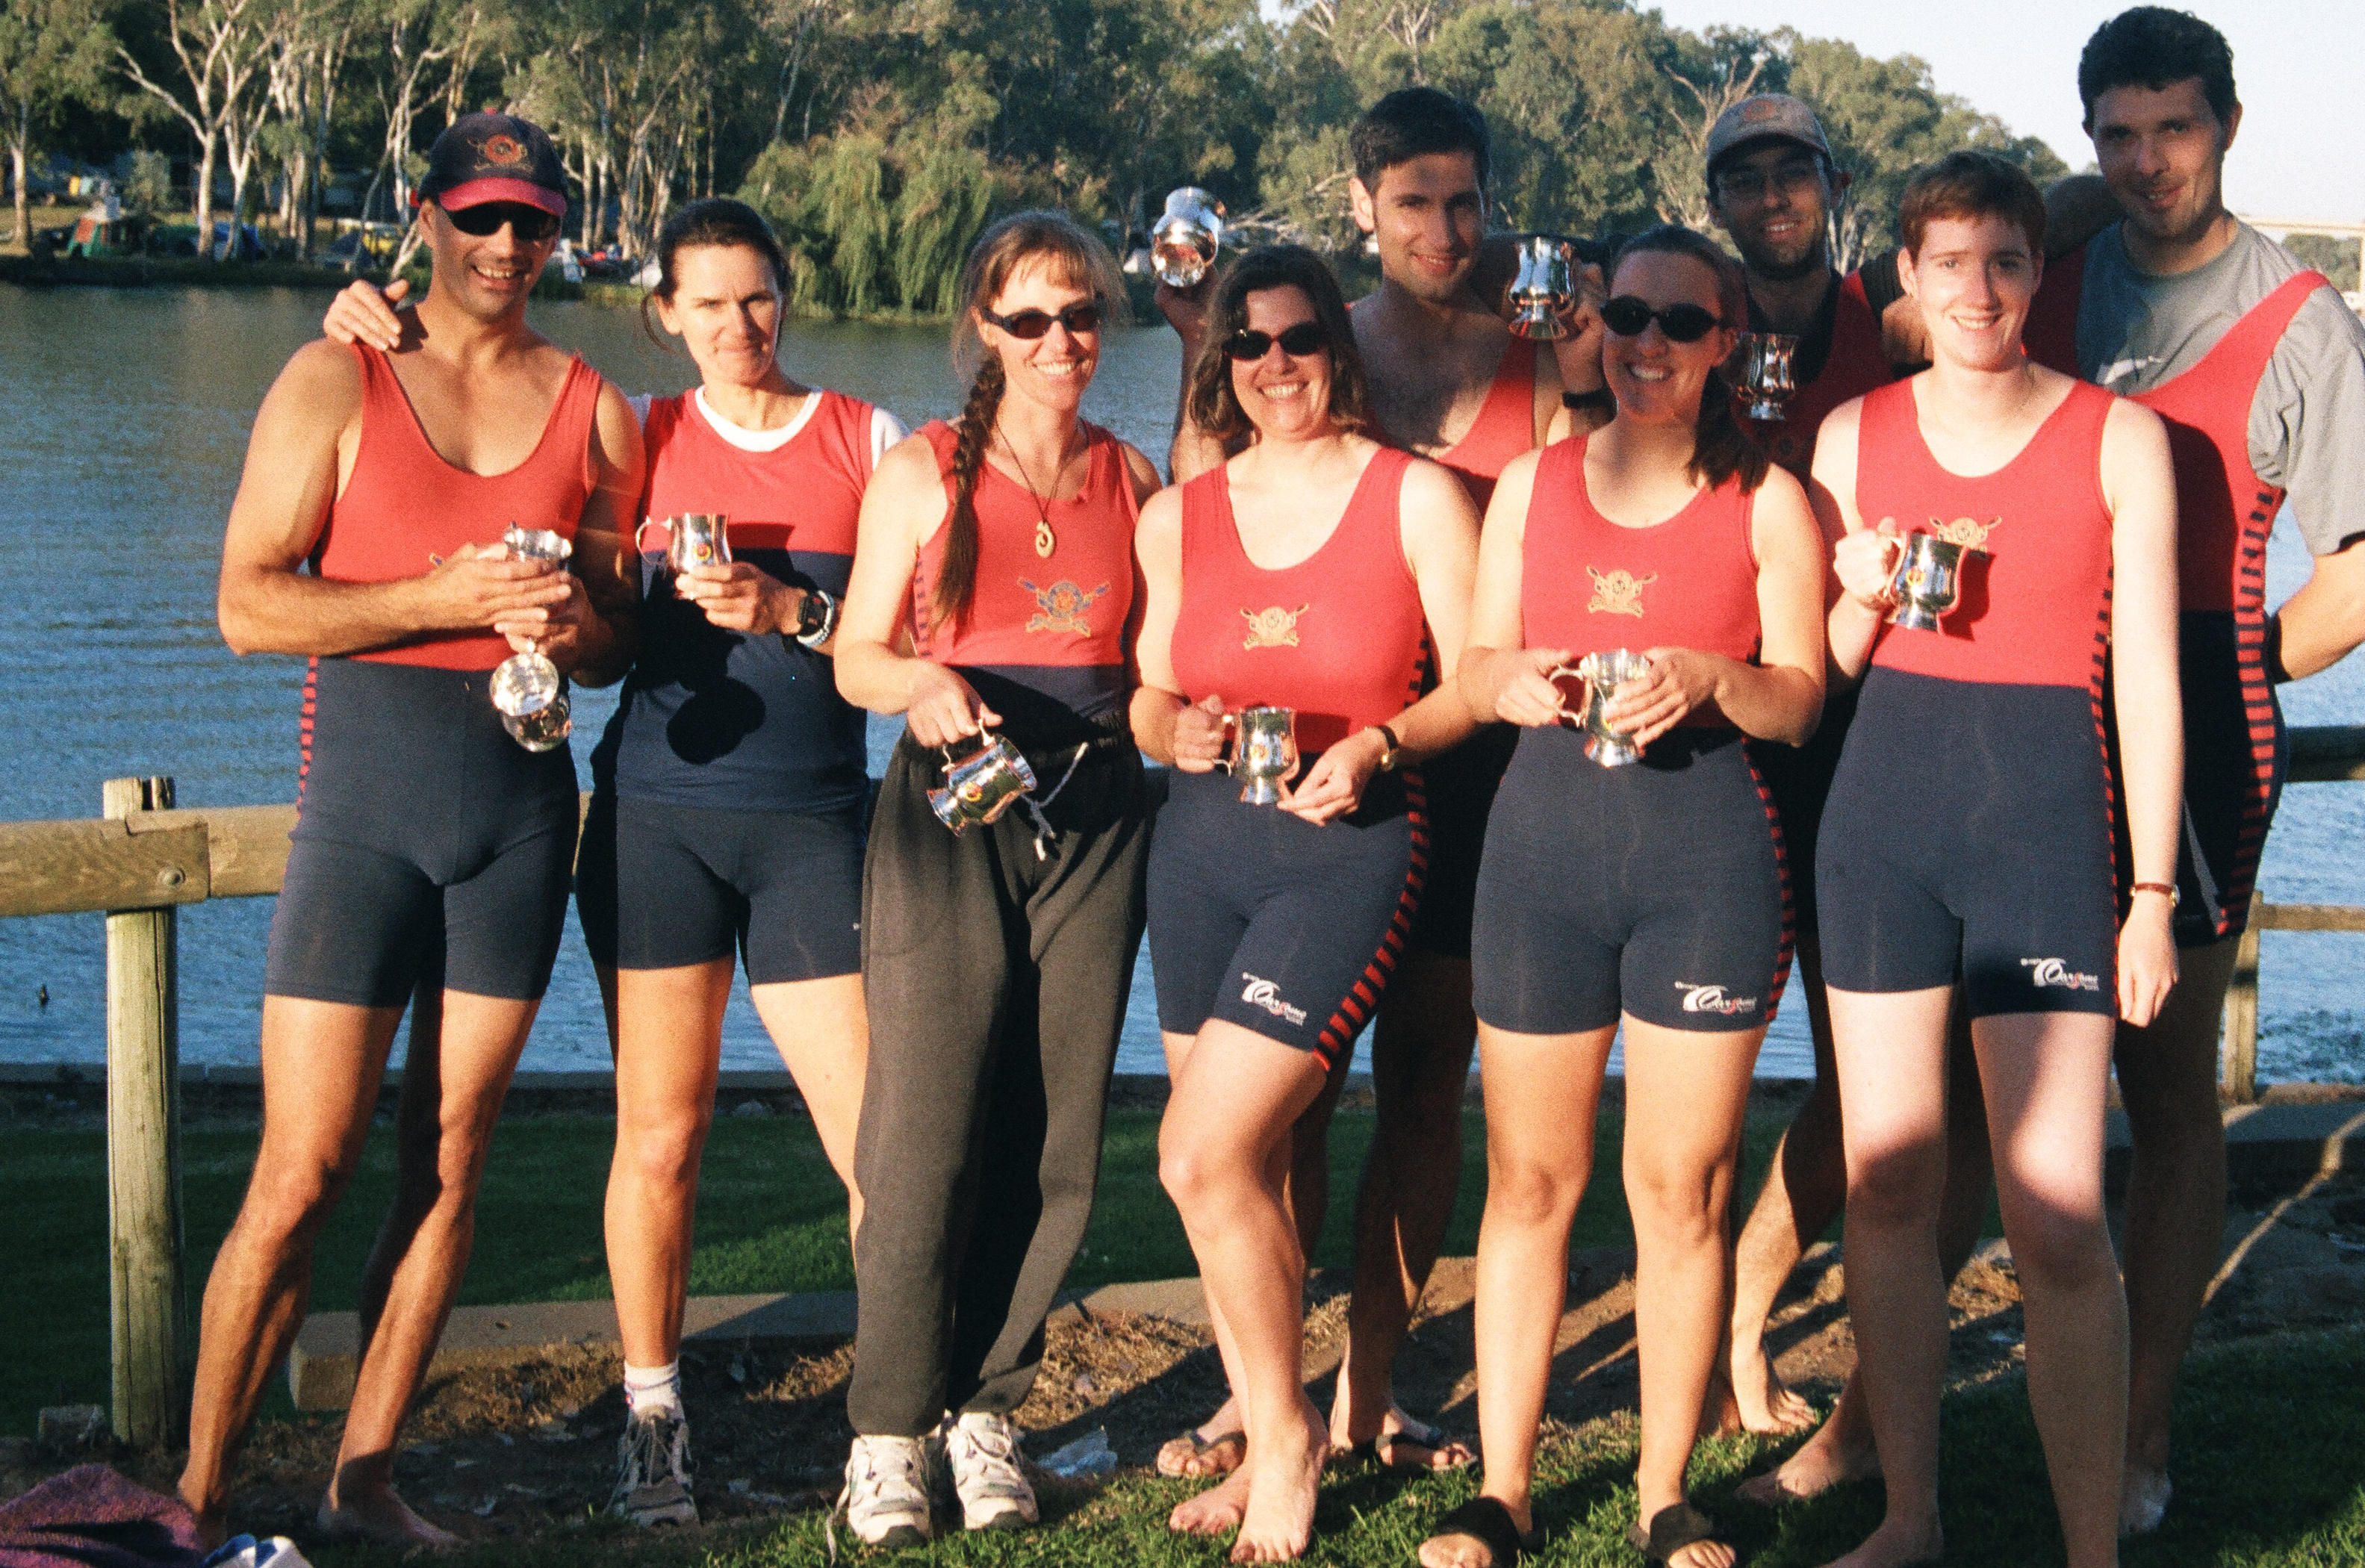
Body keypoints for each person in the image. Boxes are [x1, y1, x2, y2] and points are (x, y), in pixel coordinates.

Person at [318, 196, 906, 1528]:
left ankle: (896, 1418)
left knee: (875, 1140)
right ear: (666, 315)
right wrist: (361, 321)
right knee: (662, 1137)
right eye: (707, 304)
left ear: (786, 294)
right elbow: (481, 444)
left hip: (813, 825)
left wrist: (793, 609)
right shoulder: (638, 437)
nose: (737, 327)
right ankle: (655, 1416)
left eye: (756, 297)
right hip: (657, 825)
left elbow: (913, 629)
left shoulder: (870, 439)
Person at [183, 113, 644, 1549]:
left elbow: (620, 636)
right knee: (301, 1167)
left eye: (534, 224)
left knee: (448, 1165)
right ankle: (196, 1499)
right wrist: (435, 599)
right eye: (481, 218)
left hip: (516, 826)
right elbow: (250, 606)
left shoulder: (597, 406)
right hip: (364, 825)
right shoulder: (339, 373)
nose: (506, 248)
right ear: (428, 215)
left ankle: (366, 1477)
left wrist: (580, 628)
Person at [1154, 83, 1603, 1483]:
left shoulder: (1528, 351)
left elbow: (1585, 517)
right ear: (1363, 206)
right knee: (1272, 1101)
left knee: (1421, 1086)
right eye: (1414, 202)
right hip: (1297, 780)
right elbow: (1209, 521)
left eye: (1466, 201)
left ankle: (1372, 1386)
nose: (1445, 228)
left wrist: (1586, 369)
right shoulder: (1302, 340)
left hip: (1468, 774)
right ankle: (1259, 1388)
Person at [1420, 225, 1824, 1568]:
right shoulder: (1536, 485)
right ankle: (1507, 1489)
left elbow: (1802, 700)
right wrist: (1514, 678)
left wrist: (1714, 676)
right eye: (1628, 315)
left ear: (1725, 346)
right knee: (1530, 1182)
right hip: (1542, 863)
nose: (1646, 344)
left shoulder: (1768, 498)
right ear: (1595, 323)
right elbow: (1474, 670)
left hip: (1704, 871)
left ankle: (1665, 1492)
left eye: (1680, 324)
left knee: (1680, 1190)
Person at [1804, 151, 2181, 1568]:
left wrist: (2149, 895)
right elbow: (1827, 671)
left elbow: (2147, 678)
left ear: (2039, 273)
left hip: (2042, 834)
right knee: (1889, 1191)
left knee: (2058, 1216)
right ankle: (1913, 1515)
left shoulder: (2114, 440)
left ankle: (2093, 1550)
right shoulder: (1850, 438)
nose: (1978, 290)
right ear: (1906, 280)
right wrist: (1846, 594)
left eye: (2006, 262)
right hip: (1882, 834)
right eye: (1948, 262)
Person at [2021, 10, 2365, 1535]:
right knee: (2011, 1082)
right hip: (2031, 718)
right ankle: (1922, 1403)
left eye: (2175, 127)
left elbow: (2359, 562)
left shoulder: (2300, 317)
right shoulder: (2057, 280)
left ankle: (2140, 1429)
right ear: (2089, 138)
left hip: (2206, 730)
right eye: (2119, 133)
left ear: (2228, 124)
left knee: (2167, 1098)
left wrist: (2245, 664)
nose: (2148, 160)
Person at [1137, 245, 1481, 1561]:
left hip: (1348, 849)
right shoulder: (1182, 511)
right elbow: (1153, 688)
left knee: (1198, 1155)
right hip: (1202, 852)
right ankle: (1275, 1415)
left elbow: (1474, 676)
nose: (1274, 366)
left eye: (1297, 339)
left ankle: (1285, 1449)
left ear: (1335, 345)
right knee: (1252, 1168)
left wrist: (1379, 746)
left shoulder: (1411, 497)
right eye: (1248, 343)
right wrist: (1177, 729)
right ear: (1222, 360)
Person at [829, 210, 1161, 1546]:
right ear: (984, 327)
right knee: (924, 1127)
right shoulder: (918, 476)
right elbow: (855, 655)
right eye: (1029, 319)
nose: (1060, 343)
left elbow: (1159, 658)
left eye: (1079, 316)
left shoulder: (1134, 479)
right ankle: (888, 1432)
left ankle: (987, 1407)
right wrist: (921, 680)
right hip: (951, 809)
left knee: (1056, 1129)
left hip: (1095, 809)